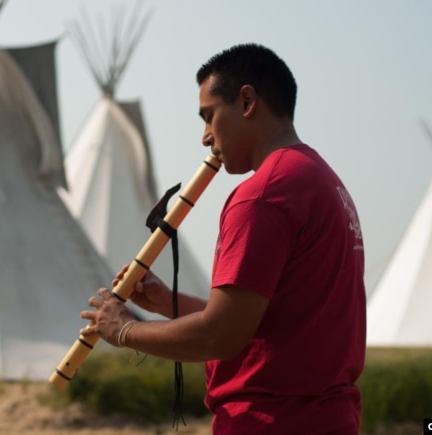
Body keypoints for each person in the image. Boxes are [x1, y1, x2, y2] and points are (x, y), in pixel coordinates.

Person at [80, 43, 366, 434]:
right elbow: (256, 319)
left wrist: (125, 330)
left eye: (209, 116)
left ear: (247, 101)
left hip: (273, 422)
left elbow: (220, 335)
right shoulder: (321, 180)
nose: (205, 137)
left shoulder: (264, 194)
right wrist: (169, 304)